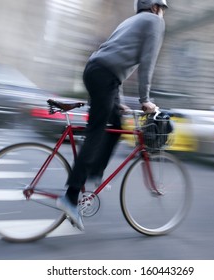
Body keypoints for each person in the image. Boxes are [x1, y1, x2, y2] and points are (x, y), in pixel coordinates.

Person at [56, 0, 168, 230]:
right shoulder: (154, 22)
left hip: (97, 71)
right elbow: (148, 61)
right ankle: (70, 196)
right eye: (163, 9)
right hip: (105, 76)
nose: (162, 14)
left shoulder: (131, 21)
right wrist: (144, 99)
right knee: (96, 133)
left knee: (117, 123)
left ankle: (95, 173)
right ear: (156, 7)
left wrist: (117, 102)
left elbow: (113, 60)